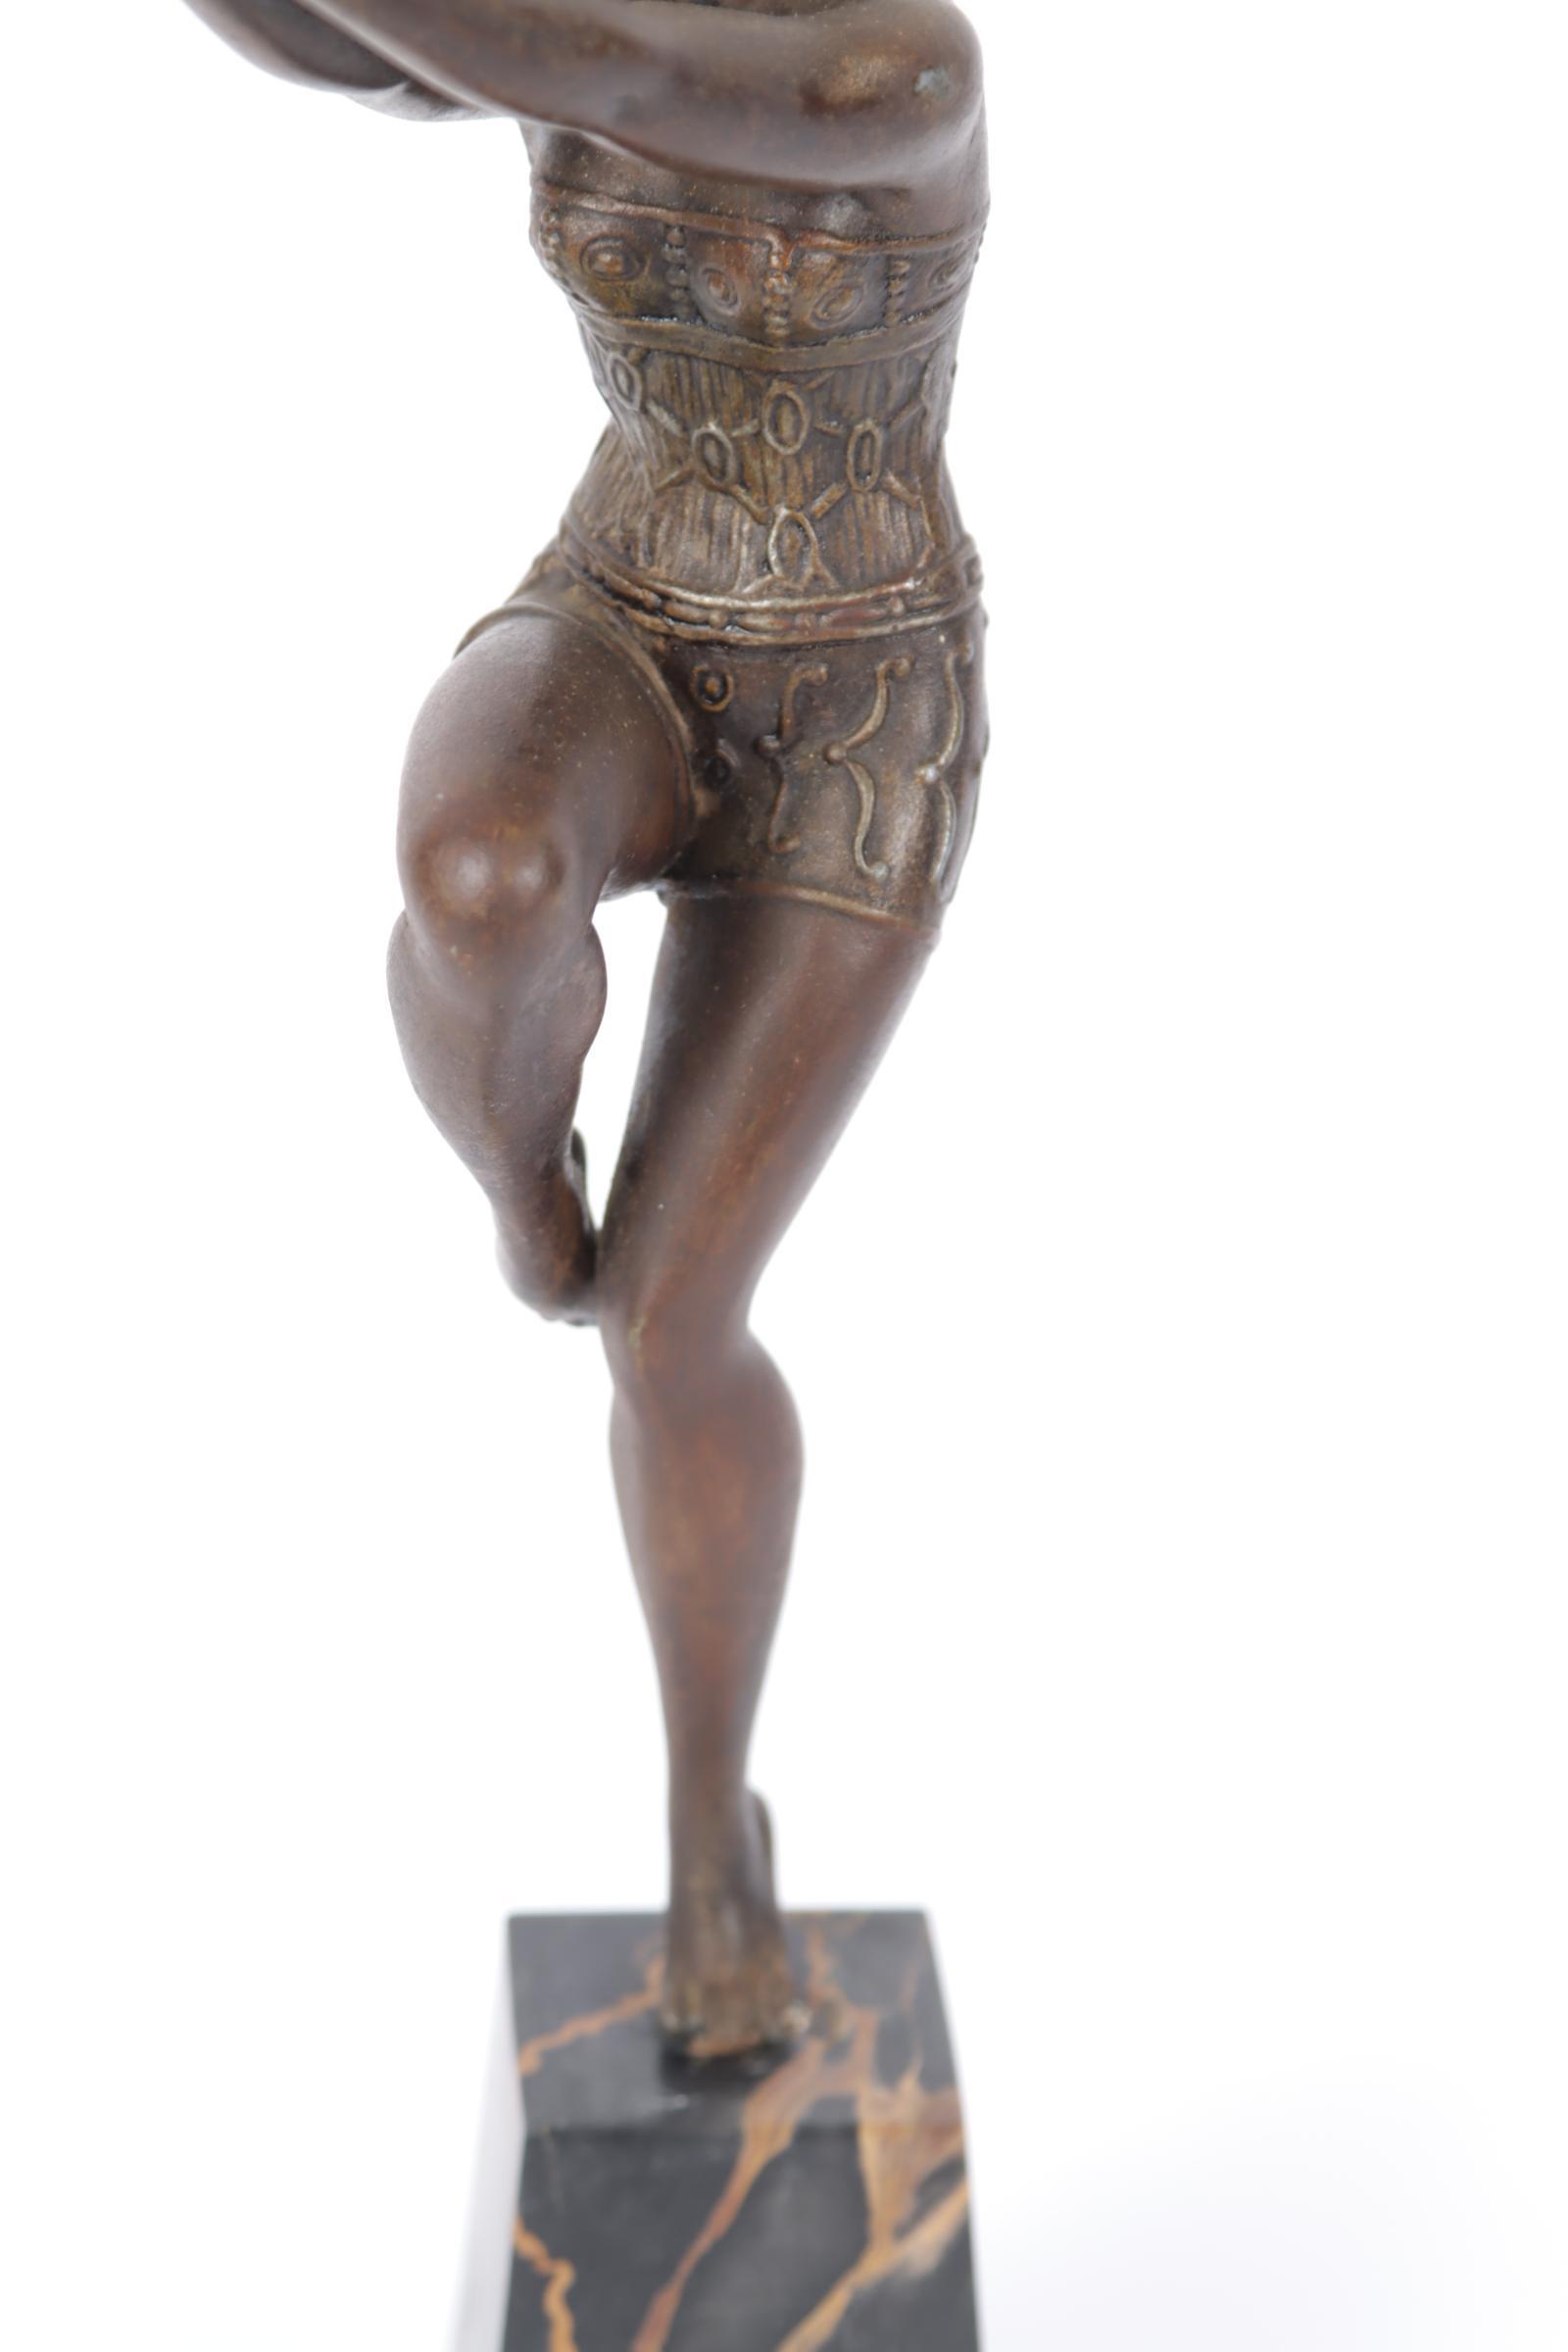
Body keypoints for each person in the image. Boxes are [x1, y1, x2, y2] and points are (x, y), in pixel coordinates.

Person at [178, 0, 989, 2056]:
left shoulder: (898, 70)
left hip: (858, 715)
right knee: (478, 875)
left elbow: (608, 80)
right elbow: (330, 45)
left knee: (671, 1329)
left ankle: (711, 1822)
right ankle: (521, 1187)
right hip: (619, 609)